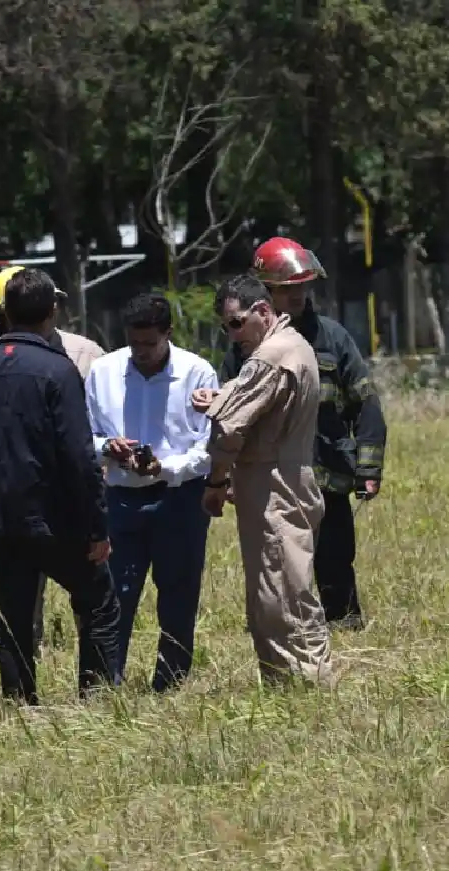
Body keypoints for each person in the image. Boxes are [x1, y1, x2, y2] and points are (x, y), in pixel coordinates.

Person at [0, 267, 120, 704]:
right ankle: (96, 698)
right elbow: (79, 458)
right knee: (99, 603)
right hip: (55, 519)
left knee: (14, 618)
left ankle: (19, 703)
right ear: (52, 310)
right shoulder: (58, 371)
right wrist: (97, 527)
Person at [218, 237, 386, 631]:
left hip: (327, 471)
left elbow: (366, 405)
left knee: (335, 553)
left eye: (302, 287)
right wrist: (225, 475)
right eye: (286, 288)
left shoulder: (333, 338)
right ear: (265, 293)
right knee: (275, 556)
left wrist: (368, 470)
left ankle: (344, 622)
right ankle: (286, 628)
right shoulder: (244, 348)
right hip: (271, 476)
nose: (297, 295)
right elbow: (228, 414)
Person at [193, 274, 334, 687]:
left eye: (237, 323)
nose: (232, 334)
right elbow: (253, 401)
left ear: (263, 311)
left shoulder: (269, 355)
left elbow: (230, 428)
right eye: (225, 326)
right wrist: (222, 398)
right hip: (286, 477)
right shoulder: (292, 346)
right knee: (285, 581)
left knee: (280, 590)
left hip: (272, 484)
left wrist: (216, 481)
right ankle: (291, 681)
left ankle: (302, 683)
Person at [85, 292, 218, 692]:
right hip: (120, 499)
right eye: (134, 343)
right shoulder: (103, 371)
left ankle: (171, 681)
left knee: (178, 595)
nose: (141, 352)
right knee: (113, 597)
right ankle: (106, 682)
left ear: (168, 334)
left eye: (150, 343)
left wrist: (166, 468)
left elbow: (209, 446)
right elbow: (83, 432)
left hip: (179, 499)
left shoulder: (197, 373)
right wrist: (107, 447)